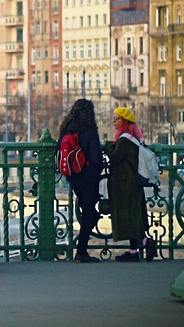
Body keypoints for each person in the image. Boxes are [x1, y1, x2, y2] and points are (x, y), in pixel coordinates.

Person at [104, 107, 157, 262]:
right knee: (133, 215)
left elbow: (114, 157)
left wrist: (108, 146)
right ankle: (133, 251)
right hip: (131, 183)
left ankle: (146, 242)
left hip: (125, 184)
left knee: (129, 216)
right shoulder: (132, 138)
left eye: (117, 118)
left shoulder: (125, 140)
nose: (114, 121)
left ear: (125, 122)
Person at [58, 99, 104, 263]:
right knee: (90, 213)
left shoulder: (66, 129)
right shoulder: (90, 131)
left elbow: (59, 151)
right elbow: (96, 158)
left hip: (73, 177)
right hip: (89, 177)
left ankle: (81, 249)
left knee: (87, 212)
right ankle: (81, 251)